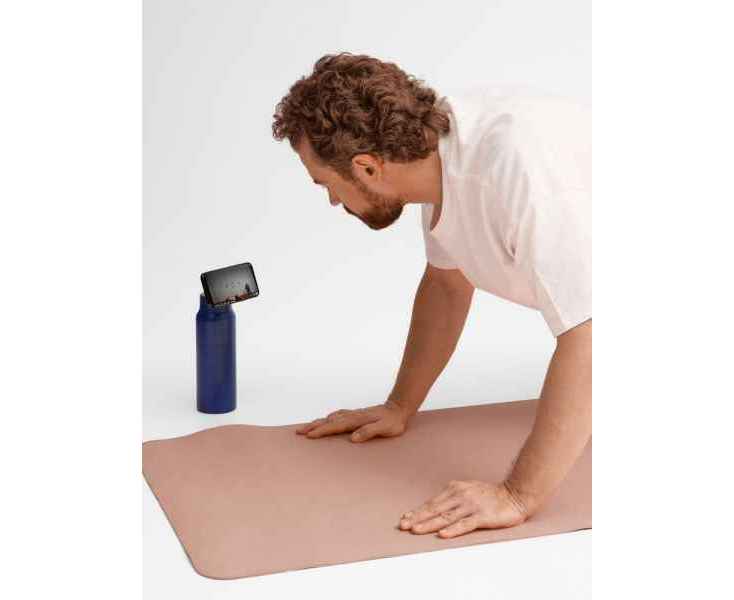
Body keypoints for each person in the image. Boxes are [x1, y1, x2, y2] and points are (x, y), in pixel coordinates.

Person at [272, 53, 591, 539]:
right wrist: (400, 405)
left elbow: (591, 337)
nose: (334, 200)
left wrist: (517, 494)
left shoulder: (518, 171)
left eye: (327, 184)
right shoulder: (435, 155)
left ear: (367, 167)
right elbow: (446, 285)